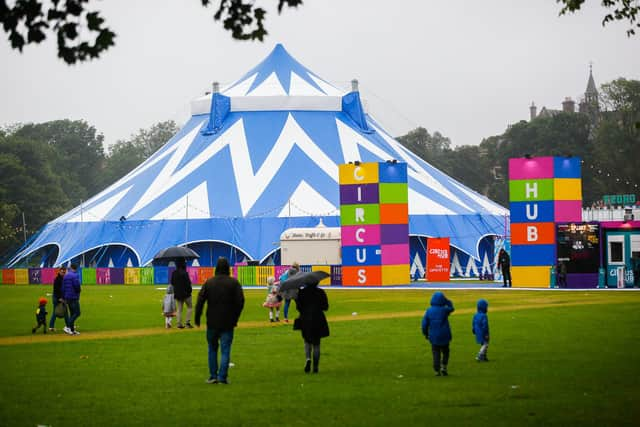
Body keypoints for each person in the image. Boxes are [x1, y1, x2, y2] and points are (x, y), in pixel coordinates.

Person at [195, 257, 245, 384]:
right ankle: (222, 376)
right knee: (225, 349)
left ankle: (213, 376)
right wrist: (235, 316)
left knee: (212, 348)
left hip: (212, 321)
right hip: (228, 321)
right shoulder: (233, 283)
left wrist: (197, 316)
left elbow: (200, 300)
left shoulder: (209, 282)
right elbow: (240, 301)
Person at [295, 283, 330, 373]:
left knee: (307, 341)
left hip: (305, 318)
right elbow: (325, 307)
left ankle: (308, 359)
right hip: (318, 318)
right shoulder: (320, 292)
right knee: (316, 344)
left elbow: (298, 307)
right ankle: (315, 367)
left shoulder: (302, 292)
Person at [421, 291, 454, 376]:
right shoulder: (445, 310)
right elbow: (452, 308)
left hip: (434, 335)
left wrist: (425, 333)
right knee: (446, 351)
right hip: (444, 335)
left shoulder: (429, 311)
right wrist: (447, 301)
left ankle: (436, 370)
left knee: (436, 352)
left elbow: (424, 324)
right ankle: (444, 366)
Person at [172, 259, 193, 329]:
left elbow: (172, 283)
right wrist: (190, 291)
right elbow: (188, 283)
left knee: (179, 309)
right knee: (190, 307)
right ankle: (187, 323)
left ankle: (179, 324)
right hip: (186, 293)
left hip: (178, 293)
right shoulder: (185, 273)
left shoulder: (174, 273)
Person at [62, 263, 81, 335]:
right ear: (76, 268)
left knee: (72, 313)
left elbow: (63, 287)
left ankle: (72, 330)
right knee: (77, 313)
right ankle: (67, 327)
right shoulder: (75, 275)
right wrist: (78, 291)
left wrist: (64, 296)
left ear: (70, 268)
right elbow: (77, 285)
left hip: (67, 297)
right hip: (73, 297)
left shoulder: (66, 276)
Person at [49, 266, 68, 332]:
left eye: (64, 272)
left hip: (59, 297)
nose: (63, 273)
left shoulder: (62, 278)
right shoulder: (57, 279)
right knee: (57, 312)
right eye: (62, 272)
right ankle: (68, 326)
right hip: (57, 298)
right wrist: (60, 298)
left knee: (61, 312)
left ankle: (51, 326)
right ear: (59, 271)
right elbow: (56, 290)